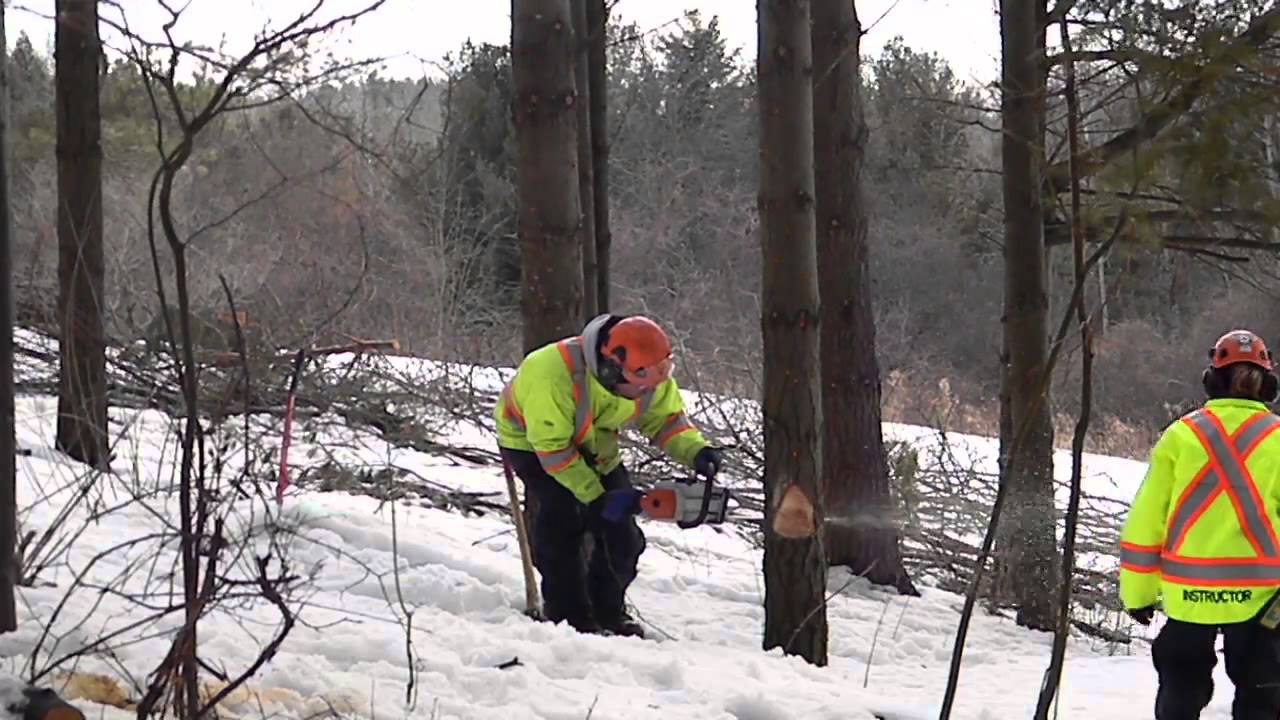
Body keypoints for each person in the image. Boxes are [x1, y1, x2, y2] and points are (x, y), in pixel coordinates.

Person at [495, 313, 722, 638]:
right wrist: (595, 497)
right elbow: (554, 450)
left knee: (624, 537)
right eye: (641, 385)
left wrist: (696, 451)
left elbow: (666, 422)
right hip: (533, 443)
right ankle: (567, 617)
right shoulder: (551, 374)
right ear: (610, 369)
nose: (647, 392)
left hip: (594, 440)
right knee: (564, 522)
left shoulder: (649, 375)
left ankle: (608, 611)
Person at [1120, 329, 1280, 719]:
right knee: (1263, 695)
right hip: (1265, 599)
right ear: (1268, 385)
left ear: (1213, 380)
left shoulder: (1181, 436)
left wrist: (1138, 595)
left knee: (1180, 688)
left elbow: (1145, 524)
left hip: (1189, 596)